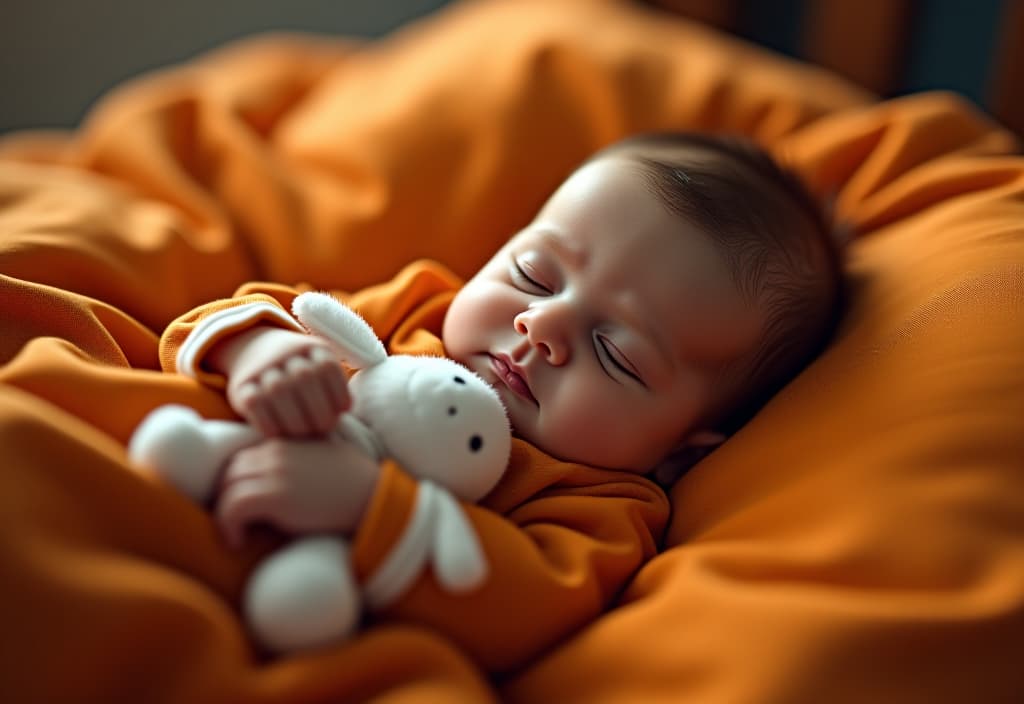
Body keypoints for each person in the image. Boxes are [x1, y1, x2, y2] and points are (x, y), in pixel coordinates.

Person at [153, 131, 843, 667]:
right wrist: (259, 352)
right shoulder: (415, 312)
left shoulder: (601, 510)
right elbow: (259, 312)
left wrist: (368, 507)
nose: (541, 327)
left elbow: (524, 609)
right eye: (534, 275)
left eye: (617, 353)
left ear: (681, 449)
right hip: (183, 482)